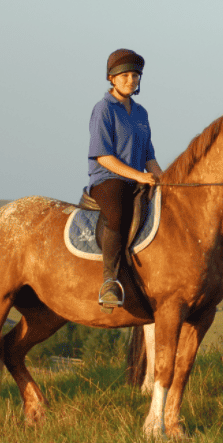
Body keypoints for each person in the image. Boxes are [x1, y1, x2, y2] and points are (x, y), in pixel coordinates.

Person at [88, 49, 163, 309]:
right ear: (112, 78)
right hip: (108, 179)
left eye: (135, 75)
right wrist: (138, 175)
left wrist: (164, 180)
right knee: (118, 213)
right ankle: (109, 281)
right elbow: (103, 156)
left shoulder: (141, 113)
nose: (131, 80)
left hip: (137, 178)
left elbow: (149, 156)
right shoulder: (103, 109)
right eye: (125, 76)